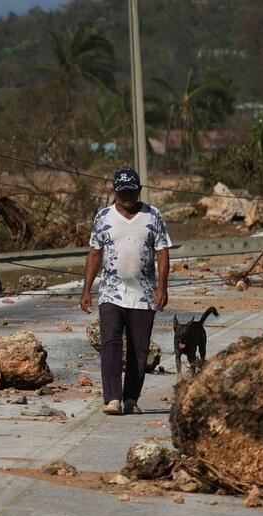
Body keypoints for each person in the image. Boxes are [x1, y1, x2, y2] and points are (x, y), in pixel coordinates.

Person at [80, 167, 171, 415]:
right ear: (115, 192)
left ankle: (130, 398)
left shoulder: (153, 216)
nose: (127, 197)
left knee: (139, 348)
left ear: (139, 190)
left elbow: (162, 252)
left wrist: (162, 287)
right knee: (110, 342)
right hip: (111, 291)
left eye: (131, 191)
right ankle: (112, 399)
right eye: (122, 193)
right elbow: (94, 253)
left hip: (143, 292)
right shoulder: (103, 217)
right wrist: (86, 290)